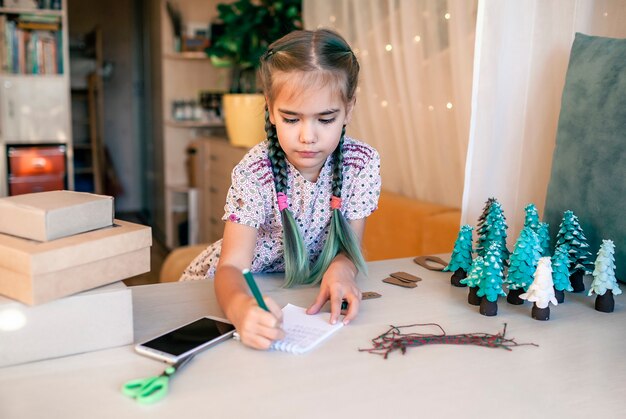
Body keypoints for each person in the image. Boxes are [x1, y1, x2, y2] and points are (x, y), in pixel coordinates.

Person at [180, 29, 381, 350]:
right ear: (271, 109)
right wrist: (240, 309)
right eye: (291, 119)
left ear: (349, 108)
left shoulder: (361, 164)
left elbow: (349, 247)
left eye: (325, 119)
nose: (307, 136)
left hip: (302, 290)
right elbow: (231, 266)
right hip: (240, 290)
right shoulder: (255, 171)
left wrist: (344, 270)